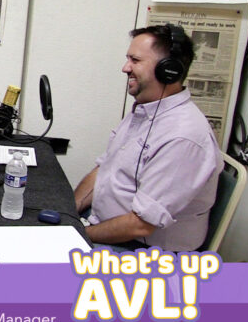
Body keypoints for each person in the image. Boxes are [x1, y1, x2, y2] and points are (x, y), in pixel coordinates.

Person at [74, 24, 222, 252]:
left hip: (142, 249)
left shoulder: (183, 136)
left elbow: (140, 225)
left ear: (168, 70)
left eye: (135, 60)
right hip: (103, 226)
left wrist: (76, 235)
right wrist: (68, 211)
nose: (125, 68)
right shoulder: (146, 110)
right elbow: (105, 169)